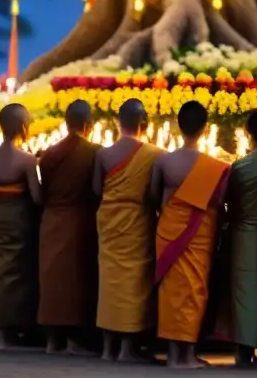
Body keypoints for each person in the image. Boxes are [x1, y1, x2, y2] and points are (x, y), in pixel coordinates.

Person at [151, 100, 231, 369]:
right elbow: (219, 203)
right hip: (197, 235)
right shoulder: (213, 166)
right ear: (205, 129)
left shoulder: (164, 161)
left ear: (178, 125)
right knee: (194, 292)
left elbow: (153, 197)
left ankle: (176, 354)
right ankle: (185, 355)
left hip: (169, 230)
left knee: (173, 294)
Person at [94, 98, 164, 363]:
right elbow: (155, 193)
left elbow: (95, 190)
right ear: (144, 123)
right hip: (137, 219)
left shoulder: (103, 154)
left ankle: (108, 348)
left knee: (109, 283)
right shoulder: (156, 155)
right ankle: (126, 348)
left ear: (117, 122)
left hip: (109, 220)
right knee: (134, 283)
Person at [37, 99, 102, 355]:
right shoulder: (95, 152)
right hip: (79, 220)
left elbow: (43, 191)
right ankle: (75, 341)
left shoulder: (49, 153)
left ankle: (53, 341)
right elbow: (97, 189)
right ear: (88, 125)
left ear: (66, 123)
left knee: (52, 281)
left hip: (51, 220)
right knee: (76, 282)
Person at [0, 102, 41, 350]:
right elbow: (36, 197)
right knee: (16, 272)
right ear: (23, 128)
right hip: (17, 217)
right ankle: (10, 331)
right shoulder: (27, 160)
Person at [228, 109, 257, 368]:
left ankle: (244, 350)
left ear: (247, 133)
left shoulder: (240, 167)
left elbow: (230, 204)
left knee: (245, 293)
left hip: (245, 234)